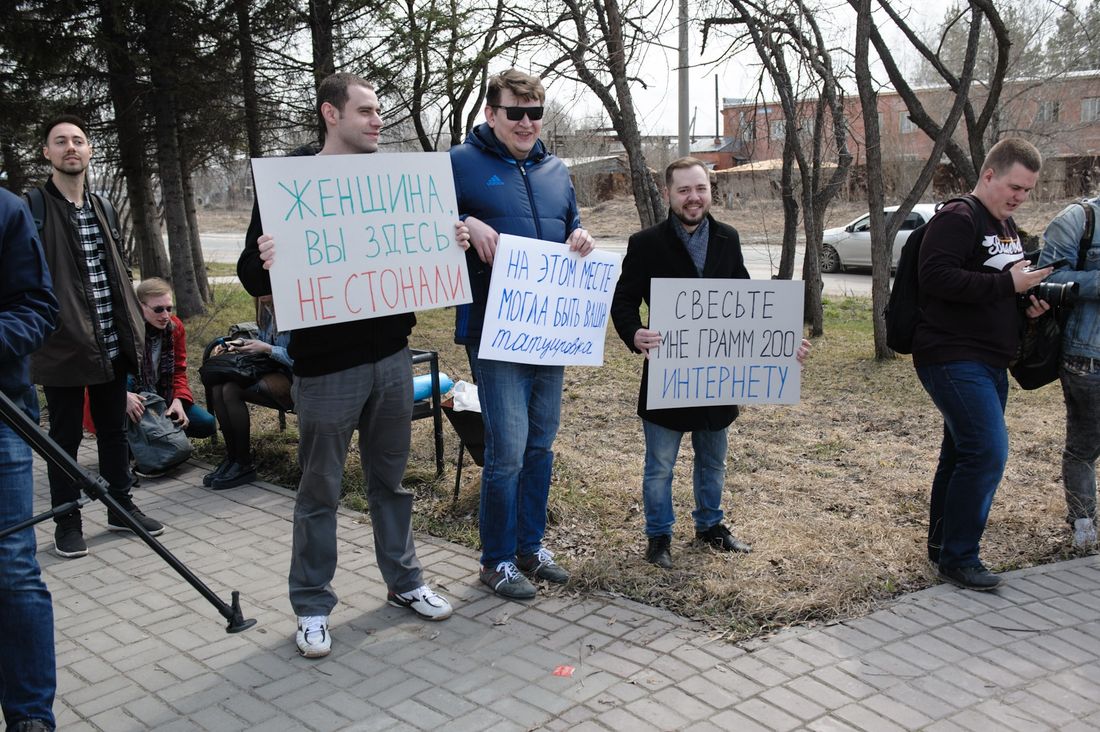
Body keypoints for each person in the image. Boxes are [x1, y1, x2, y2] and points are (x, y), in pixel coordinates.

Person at [239, 72, 467, 658]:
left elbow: (420, 247)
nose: (377, 121)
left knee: (391, 483)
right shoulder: (290, 183)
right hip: (325, 369)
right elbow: (250, 274)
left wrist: (450, 240)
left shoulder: (397, 181)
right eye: (365, 111)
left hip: (391, 357)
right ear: (330, 114)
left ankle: (405, 582)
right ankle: (312, 605)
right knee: (320, 489)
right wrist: (264, 261)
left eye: (379, 111)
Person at [611, 157, 810, 569]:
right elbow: (623, 299)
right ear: (669, 194)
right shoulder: (645, 242)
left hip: (717, 378)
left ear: (710, 191)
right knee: (660, 466)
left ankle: (710, 527)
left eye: (700, 188)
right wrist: (634, 333)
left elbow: (747, 304)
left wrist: (783, 343)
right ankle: (659, 536)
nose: (693, 197)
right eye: (684, 190)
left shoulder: (727, 238)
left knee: (713, 459)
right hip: (669, 375)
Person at [450, 68, 595, 600]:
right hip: (492, 329)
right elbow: (422, 224)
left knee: (540, 443)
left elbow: (571, 222)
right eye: (517, 112)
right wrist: (464, 220)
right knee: (507, 448)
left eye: (536, 112)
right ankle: (495, 561)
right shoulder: (459, 163)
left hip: (550, 330)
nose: (528, 122)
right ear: (492, 114)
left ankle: (531, 548)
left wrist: (579, 234)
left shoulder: (557, 169)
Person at [913, 137, 1052, 591]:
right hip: (952, 355)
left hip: (990, 359)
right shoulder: (959, 217)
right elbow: (934, 276)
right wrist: (1006, 286)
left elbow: (995, 286)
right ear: (988, 175)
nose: (1019, 197)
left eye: (1028, 191)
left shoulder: (1005, 227)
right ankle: (961, 557)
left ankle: (941, 547)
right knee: (988, 451)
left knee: (960, 454)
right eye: (1014, 186)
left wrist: (1024, 303)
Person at [29, 114, 163, 559]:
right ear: (46, 152)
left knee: (113, 431)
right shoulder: (33, 207)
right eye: (61, 141)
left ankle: (120, 508)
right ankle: (67, 521)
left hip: (111, 341)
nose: (71, 148)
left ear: (89, 151)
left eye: (79, 141)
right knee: (62, 440)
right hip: (62, 344)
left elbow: (117, 272)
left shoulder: (102, 206)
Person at [0, 188, 60, 731]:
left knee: (12, 569)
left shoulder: (6, 210)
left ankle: (29, 717)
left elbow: (38, 308)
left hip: (1, 416)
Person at [1038, 193, 1100, 548]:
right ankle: (1084, 526)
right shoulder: (1079, 219)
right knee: (1083, 448)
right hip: (1087, 358)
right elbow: (1047, 277)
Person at [200, 295, 292, 490]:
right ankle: (233, 457)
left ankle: (243, 462)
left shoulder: (292, 307)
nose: (261, 293)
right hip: (273, 372)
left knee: (232, 389)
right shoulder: (264, 308)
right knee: (219, 386)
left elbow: (302, 359)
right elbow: (263, 341)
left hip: (298, 379)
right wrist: (241, 344)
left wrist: (268, 349)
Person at [126, 278, 216, 464]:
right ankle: (132, 440)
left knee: (205, 424)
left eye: (169, 308)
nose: (165, 315)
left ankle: (160, 437)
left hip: (162, 396)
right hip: (130, 396)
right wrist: (122, 395)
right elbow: (108, 373)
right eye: (158, 309)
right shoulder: (126, 329)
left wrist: (178, 400)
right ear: (140, 306)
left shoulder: (174, 328)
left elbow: (179, 369)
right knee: (125, 382)